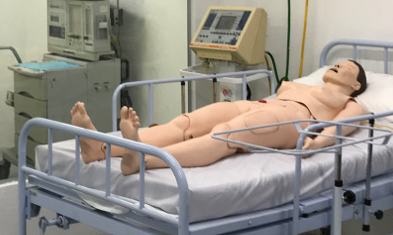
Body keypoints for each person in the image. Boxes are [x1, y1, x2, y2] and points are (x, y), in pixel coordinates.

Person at [70, 60, 368, 175]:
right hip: (258, 105)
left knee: (225, 134)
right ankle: (100, 148)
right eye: (337, 62)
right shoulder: (302, 84)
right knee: (186, 124)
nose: (339, 65)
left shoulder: (352, 103)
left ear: (355, 84)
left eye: (347, 67)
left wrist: (317, 144)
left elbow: (342, 127)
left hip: (292, 120)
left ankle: (141, 161)